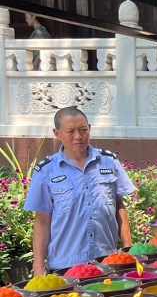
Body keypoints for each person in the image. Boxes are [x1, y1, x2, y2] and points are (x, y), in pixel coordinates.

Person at [24, 107, 136, 274]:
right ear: (57, 133)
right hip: (65, 266)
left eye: (83, 129)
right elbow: (42, 222)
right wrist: (38, 267)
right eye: (70, 131)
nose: (78, 136)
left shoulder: (108, 161)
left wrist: (128, 250)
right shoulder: (46, 171)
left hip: (106, 262)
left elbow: (119, 207)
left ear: (89, 128)